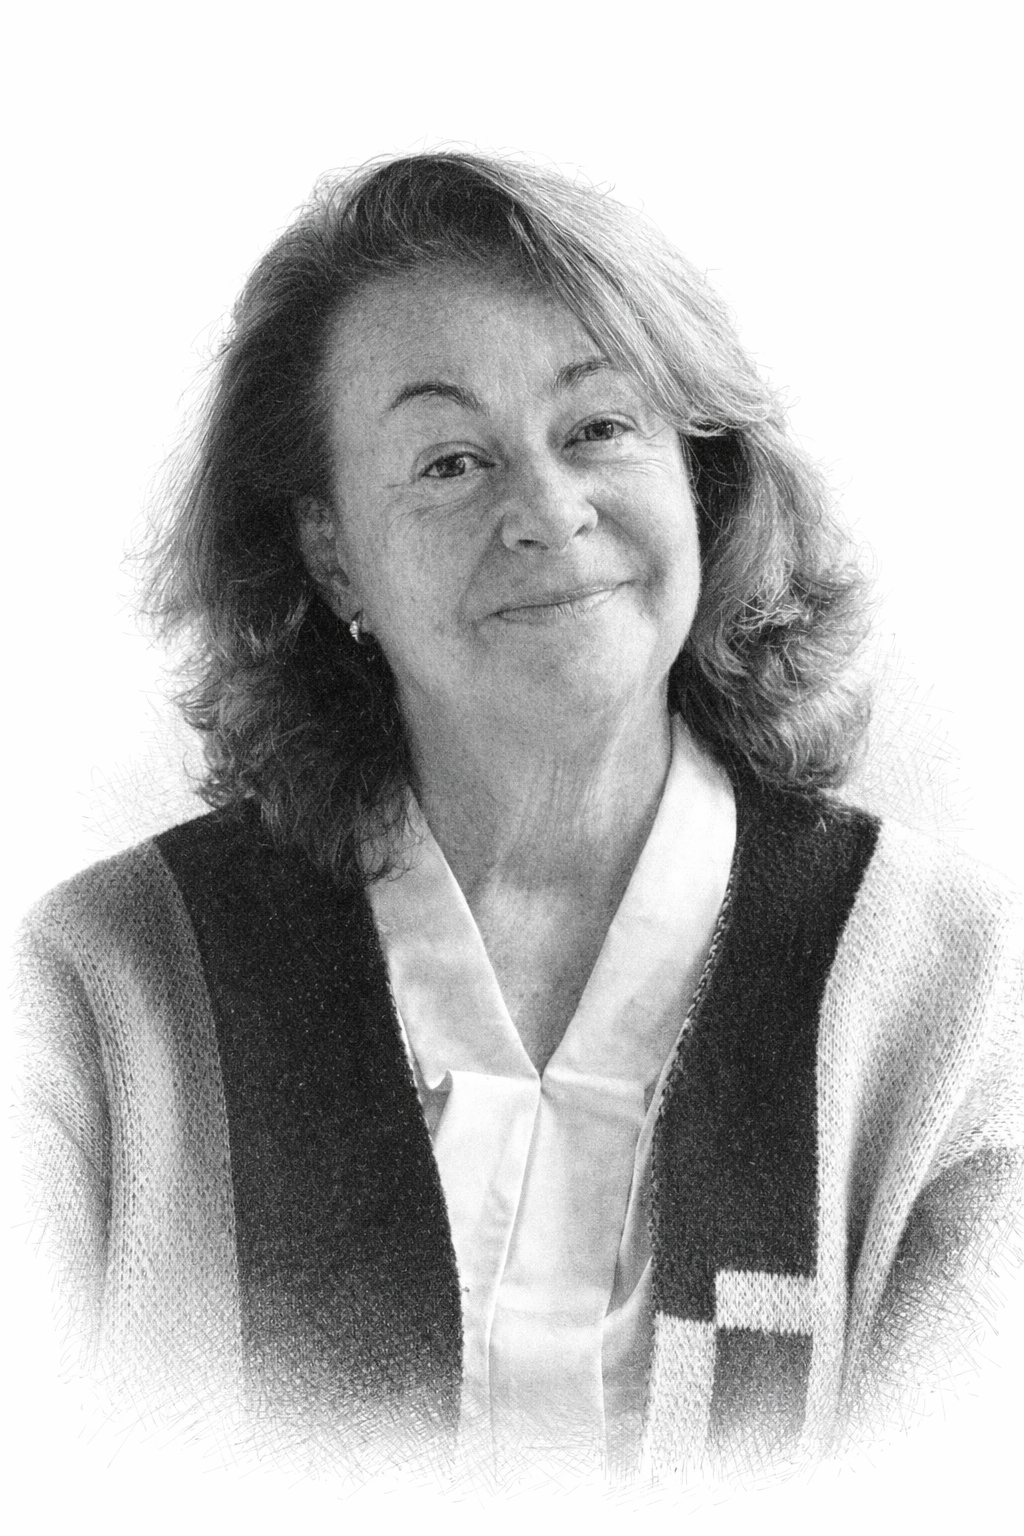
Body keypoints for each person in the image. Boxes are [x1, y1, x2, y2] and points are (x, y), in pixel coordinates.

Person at [17, 151, 1023, 1488]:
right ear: (332, 554)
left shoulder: (954, 997)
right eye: (448, 462)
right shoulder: (99, 994)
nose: (546, 512)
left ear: (702, 479)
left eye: (599, 428)